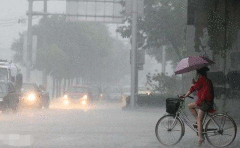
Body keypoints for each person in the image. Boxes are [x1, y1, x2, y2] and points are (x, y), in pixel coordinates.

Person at [180, 66, 214, 147]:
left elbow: (193, 88)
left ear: (199, 74)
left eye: (197, 73)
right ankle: (198, 123)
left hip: (205, 102)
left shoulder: (202, 80)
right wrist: (195, 82)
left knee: (199, 119)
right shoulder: (206, 80)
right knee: (190, 106)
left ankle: (201, 138)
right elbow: (198, 87)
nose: (196, 75)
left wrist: (185, 96)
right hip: (206, 101)